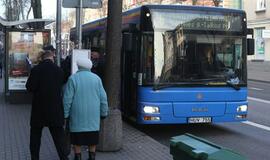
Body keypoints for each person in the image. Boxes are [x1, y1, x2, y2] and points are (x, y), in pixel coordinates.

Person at [26, 48, 69, 160]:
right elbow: (62, 84)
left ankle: (34, 157)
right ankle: (64, 157)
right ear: (52, 58)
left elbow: (30, 87)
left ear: (43, 58)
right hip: (55, 109)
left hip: (39, 109)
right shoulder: (59, 70)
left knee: (35, 136)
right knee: (58, 136)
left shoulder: (36, 70)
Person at [63, 58, 108, 160]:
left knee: (77, 138)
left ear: (79, 66)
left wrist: (65, 114)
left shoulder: (73, 79)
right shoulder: (97, 79)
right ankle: (92, 156)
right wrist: (104, 112)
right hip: (93, 115)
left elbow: (67, 99)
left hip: (77, 115)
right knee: (92, 138)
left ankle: (78, 157)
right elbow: (103, 98)